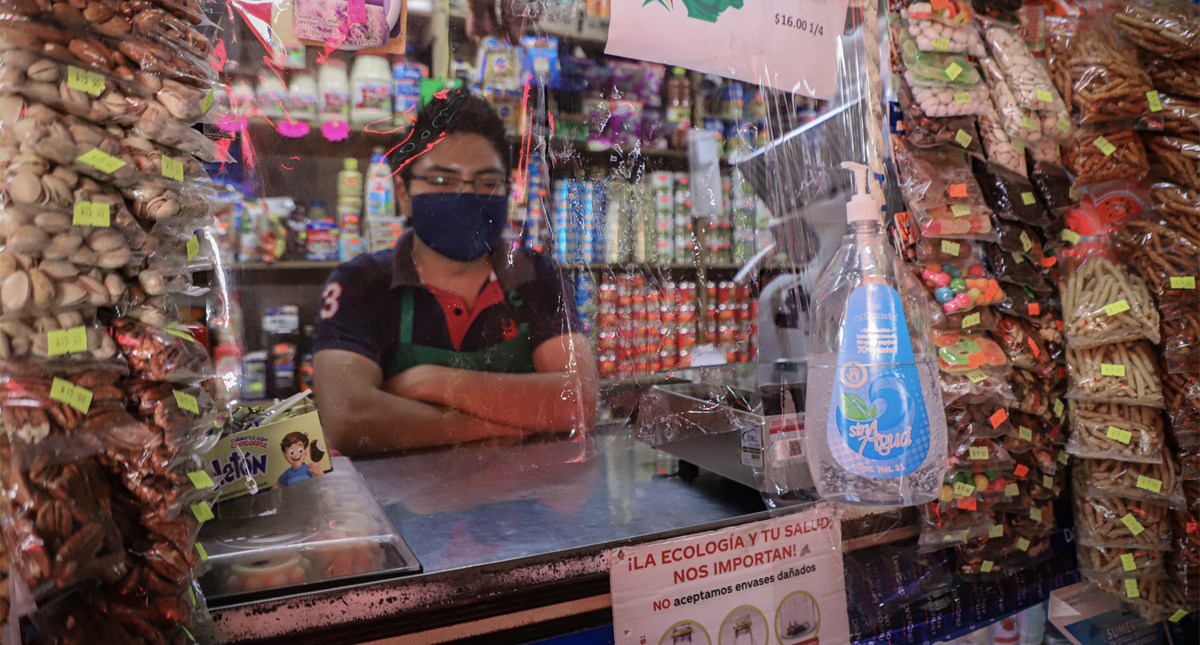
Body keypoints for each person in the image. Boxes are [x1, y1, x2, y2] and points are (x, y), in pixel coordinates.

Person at [312, 89, 599, 454]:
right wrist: (499, 424)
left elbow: (580, 400)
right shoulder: (359, 283)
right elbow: (348, 419)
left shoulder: (534, 274)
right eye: (442, 181)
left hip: (521, 503)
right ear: (404, 193)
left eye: (486, 182)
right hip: (399, 507)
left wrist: (431, 382)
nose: (466, 196)